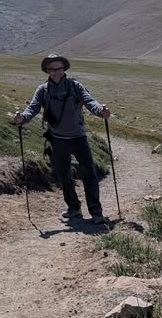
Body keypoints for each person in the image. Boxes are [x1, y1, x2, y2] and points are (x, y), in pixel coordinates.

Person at [14, 54, 111, 225]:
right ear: (47, 71)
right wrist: (23, 118)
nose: (55, 72)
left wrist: (100, 110)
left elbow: (90, 101)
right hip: (57, 140)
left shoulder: (75, 86)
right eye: (51, 69)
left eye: (58, 69)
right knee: (64, 176)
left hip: (79, 138)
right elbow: (33, 108)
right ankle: (74, 208)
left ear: (64, 69)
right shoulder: (43, 90)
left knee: (89, 174)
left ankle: (96, 211)